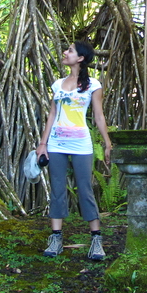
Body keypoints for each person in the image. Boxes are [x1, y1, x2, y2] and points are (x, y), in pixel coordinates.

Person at [36, 41, 112, 261]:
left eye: (69, 50)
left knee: (85, 189)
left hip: (81, 144)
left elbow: (98, 116)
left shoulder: (93, 85)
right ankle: (56, 238)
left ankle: (96, 239)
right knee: (57, 188)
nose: (65, 52)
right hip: (56, 143)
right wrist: (43, 144)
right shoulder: (58, 84)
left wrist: (107, 143)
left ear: (80, 58)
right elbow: (52, 114)